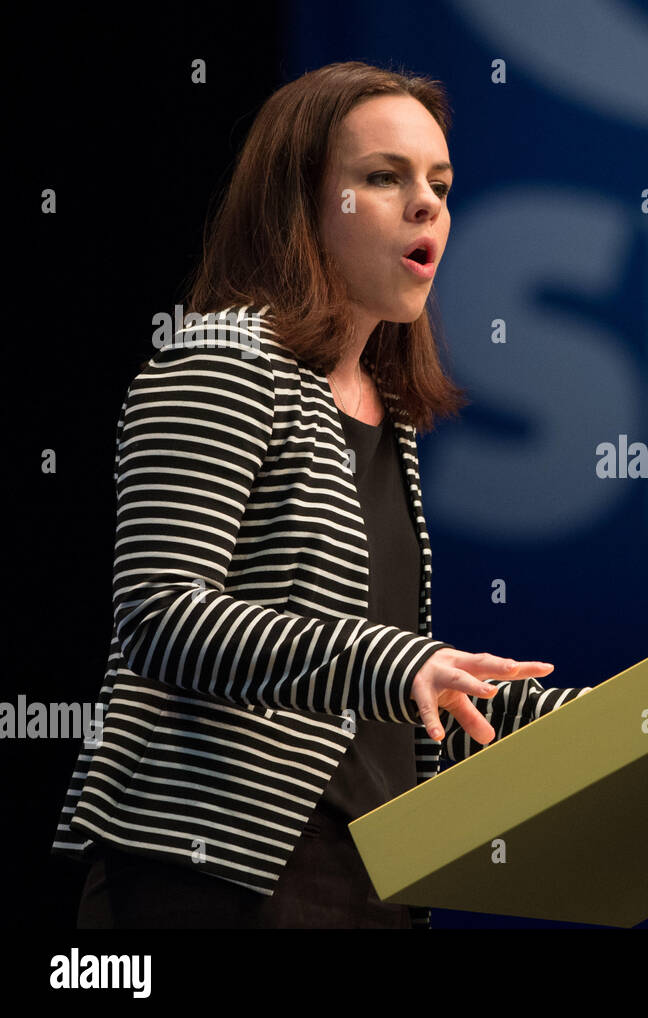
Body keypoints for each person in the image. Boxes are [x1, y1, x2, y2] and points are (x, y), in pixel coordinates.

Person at [51, 61, 590, 929]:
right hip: (216, 873)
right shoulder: (218, 362)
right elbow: (159, 613)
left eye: (442, 185)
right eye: (385, 178)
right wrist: (400, 661)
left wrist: (629, 717)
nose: (428, 206)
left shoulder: (382, 408)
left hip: (374, 876)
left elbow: (399, 679)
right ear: (300, 203)